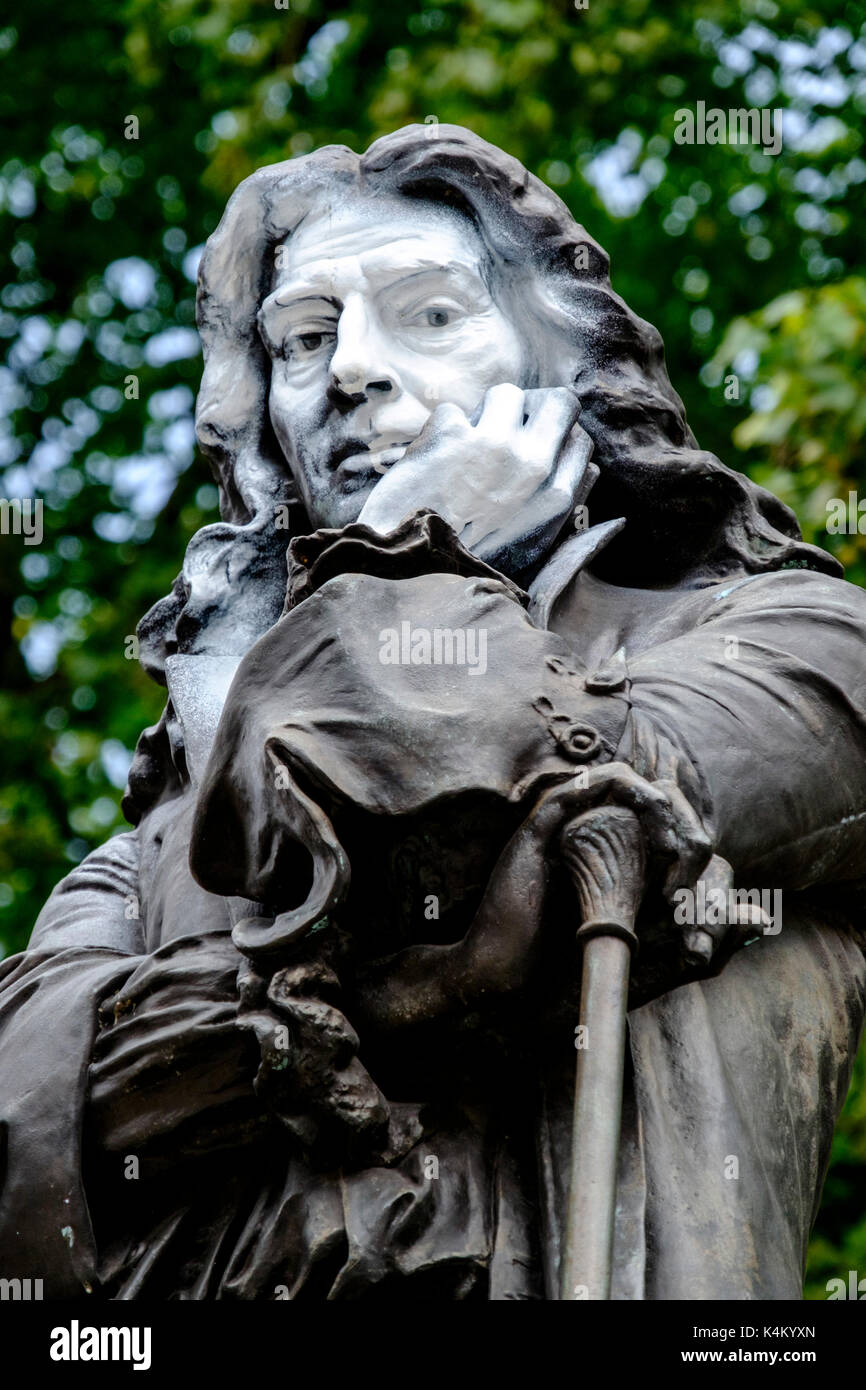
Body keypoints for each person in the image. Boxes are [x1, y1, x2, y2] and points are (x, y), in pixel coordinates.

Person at [1, 125, 864, 1300]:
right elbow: (28, 1105)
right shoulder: (161, 829)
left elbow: (547, 865)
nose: (349, 367)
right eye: (304, 339)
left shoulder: (793, 645)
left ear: (564, 376)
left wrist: (409, 562)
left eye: (429, 315)